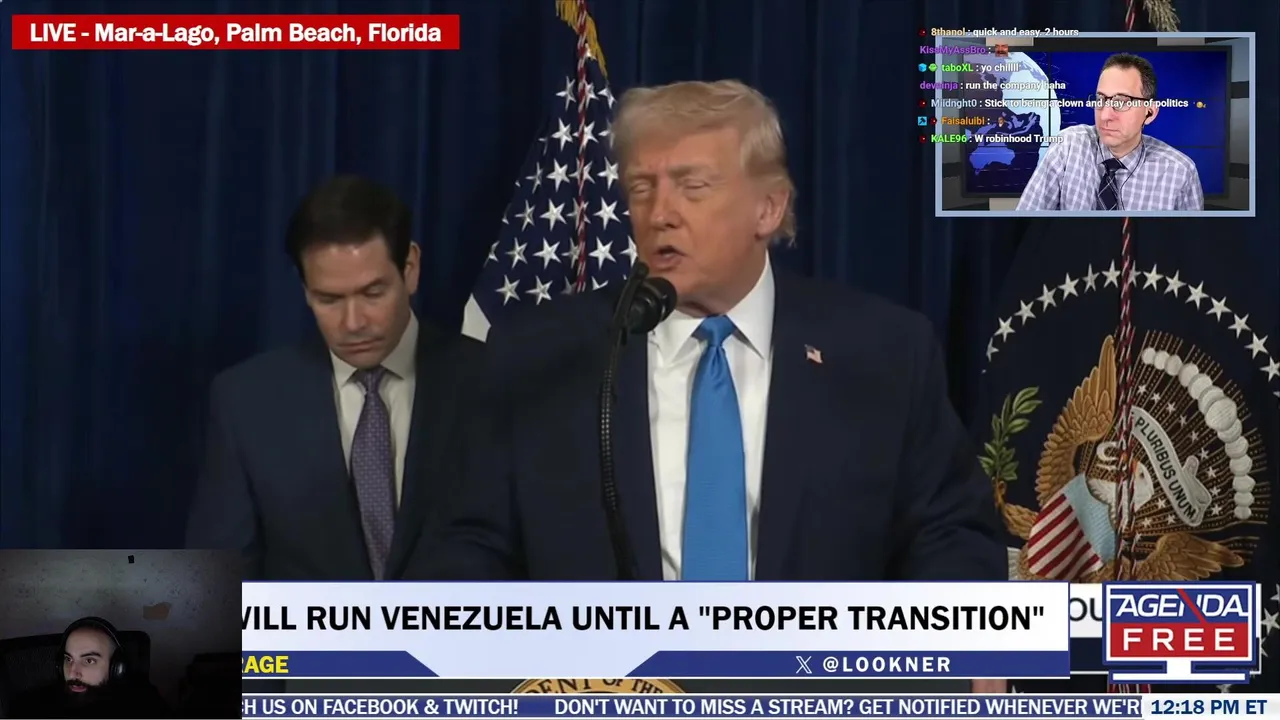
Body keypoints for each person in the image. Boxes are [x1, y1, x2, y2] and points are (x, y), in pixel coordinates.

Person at [420, 80, 1007, 692]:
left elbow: (949, 534)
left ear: (768, 209)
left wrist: (966, 645)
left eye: (692, 186)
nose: (659, 214)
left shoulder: (883, 352)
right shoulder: (539, 355)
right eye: (641, 189)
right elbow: (467, 546)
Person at [186, 175, 485, 580]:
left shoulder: (492, 380)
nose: (353, 322)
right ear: (305, 289)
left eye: (373, 293)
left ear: (410, 268)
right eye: (329, 299)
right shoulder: (246, 402)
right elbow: (215, 587)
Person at [1016, 53, 1203, 211]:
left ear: (1150, 113)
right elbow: (1025, 222)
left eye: (1121, 102)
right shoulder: (1067, 146)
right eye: (1100, 99)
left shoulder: (1180, 172)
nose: (1105, 115)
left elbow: (1191, 242)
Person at [7, 617, 170, 718]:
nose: (73, 673)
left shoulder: (144, 703)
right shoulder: (31, 707)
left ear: (117, 668)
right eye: (68, 659)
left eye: (89, 661)